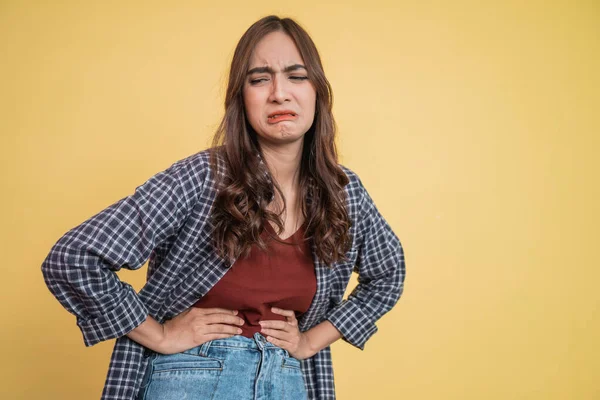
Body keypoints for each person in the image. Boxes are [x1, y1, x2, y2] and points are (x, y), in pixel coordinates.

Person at [41, 15, 406, 400]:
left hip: (289, 382)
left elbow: (388, 276)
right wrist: (159, 334)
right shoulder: (203, 177)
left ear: (317, 90)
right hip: (193, 379)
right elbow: (74, 257)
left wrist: (311, 341)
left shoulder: (343, 192)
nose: (279, 93)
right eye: (260, 79)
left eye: (296, 76)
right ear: (241, 98)